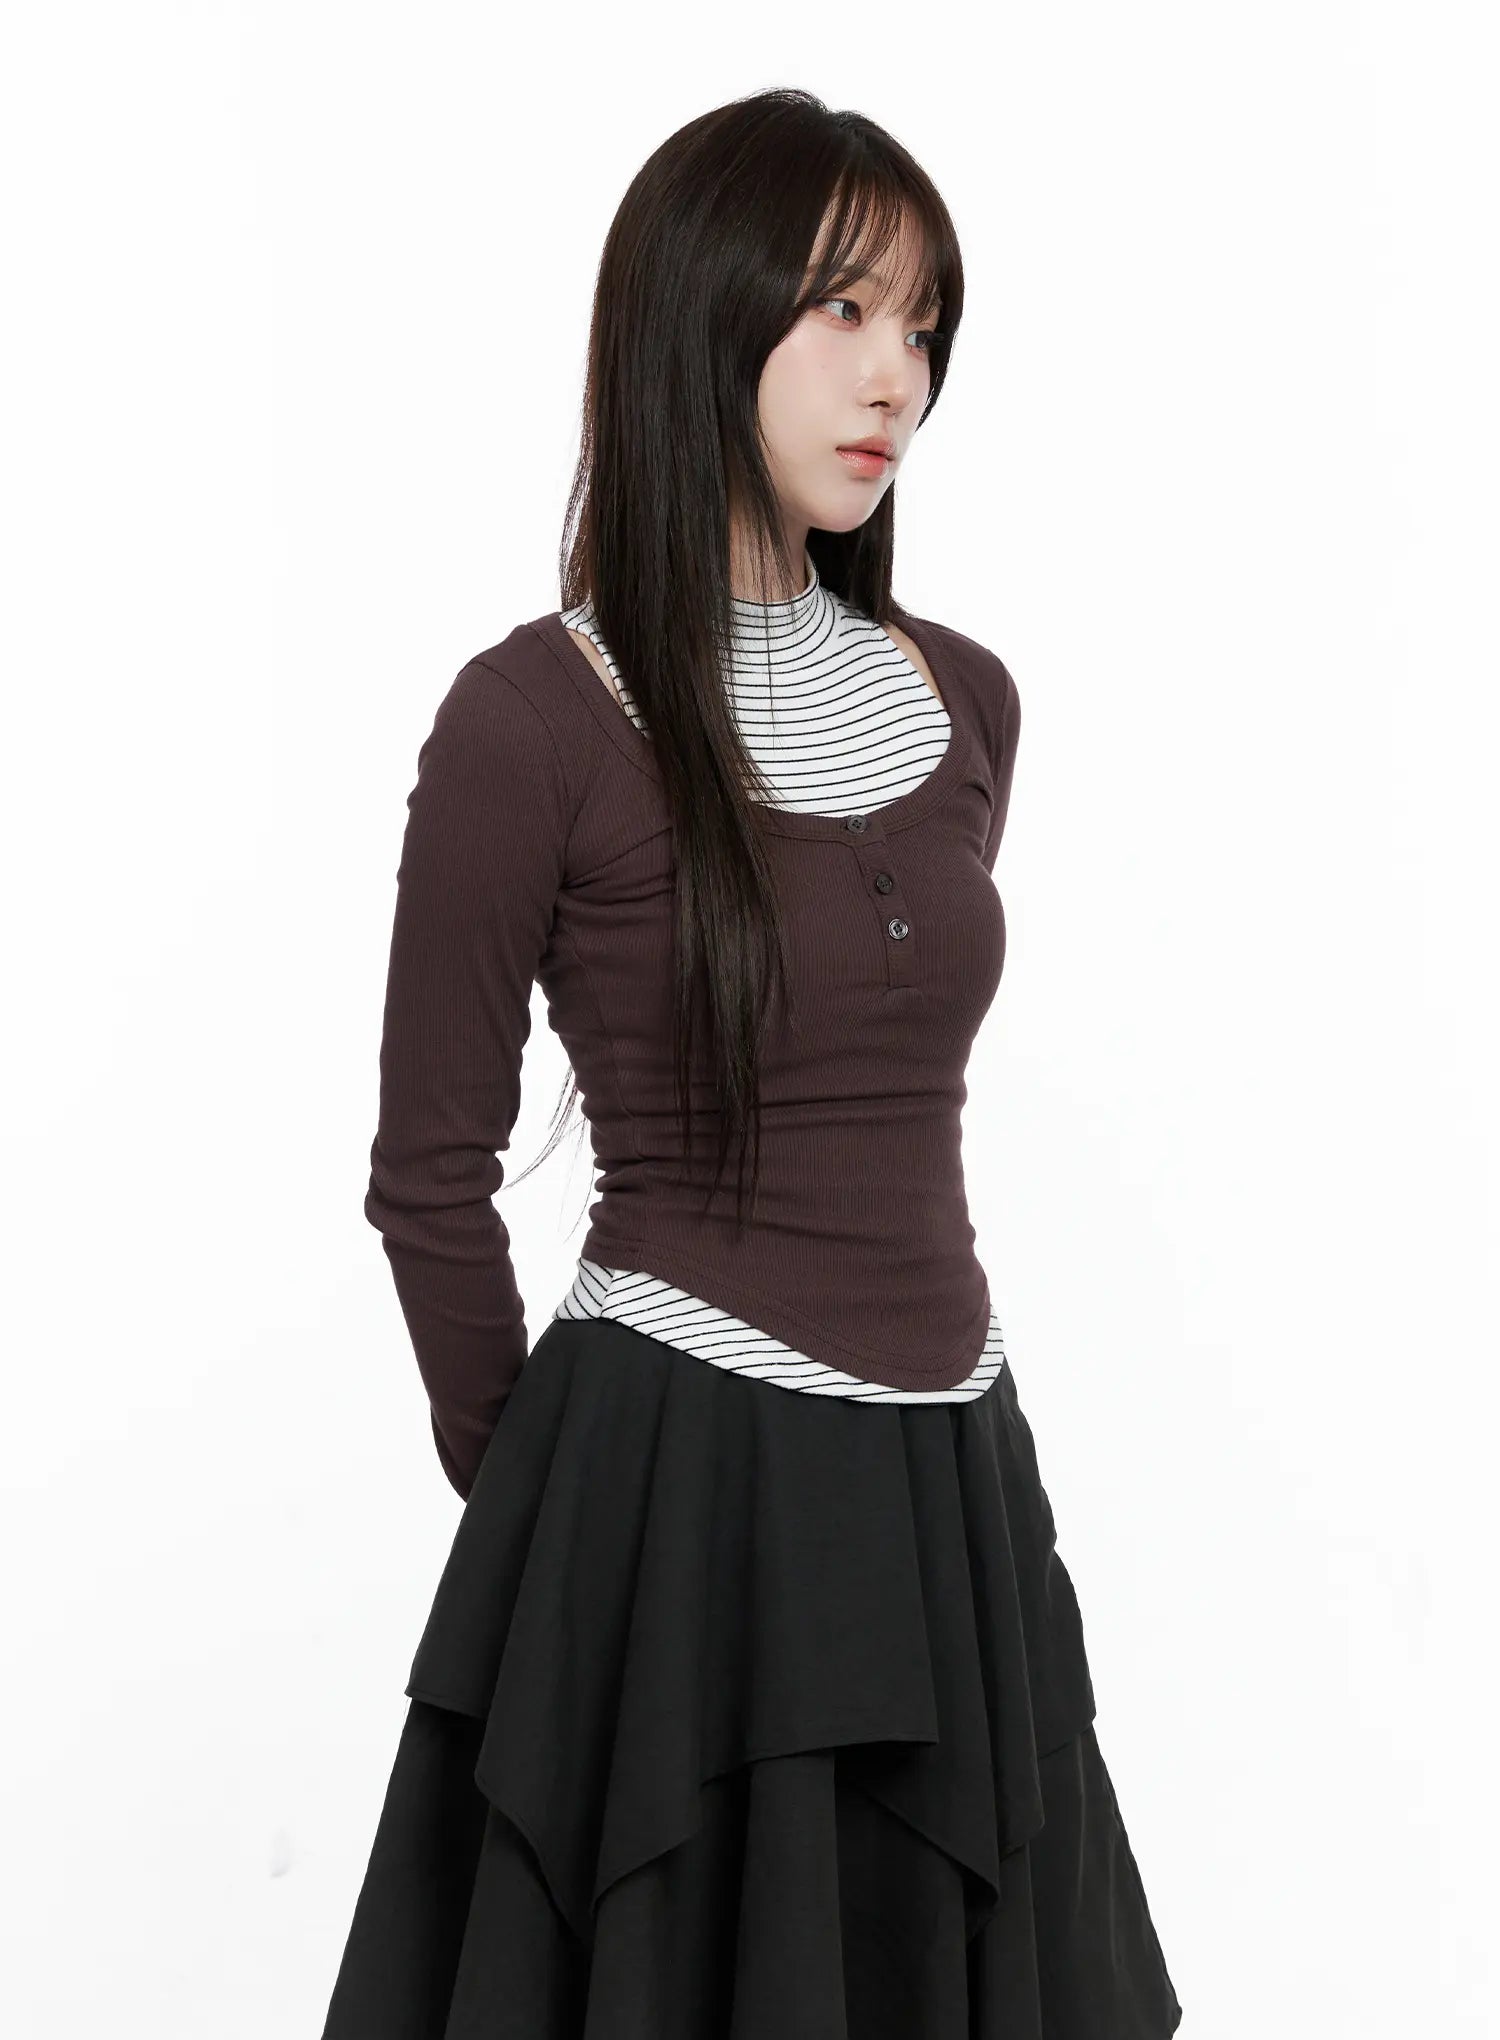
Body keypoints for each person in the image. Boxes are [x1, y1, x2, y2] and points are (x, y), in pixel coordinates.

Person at [319, 85, 1183, 2040]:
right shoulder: (532, 721)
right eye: (845, 311)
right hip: (677, 1482)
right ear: (701, 310)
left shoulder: (968, 700)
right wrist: (553, 1515)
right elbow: (427, 1176)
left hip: (952, 1472)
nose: (900, 378)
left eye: (927, 325)